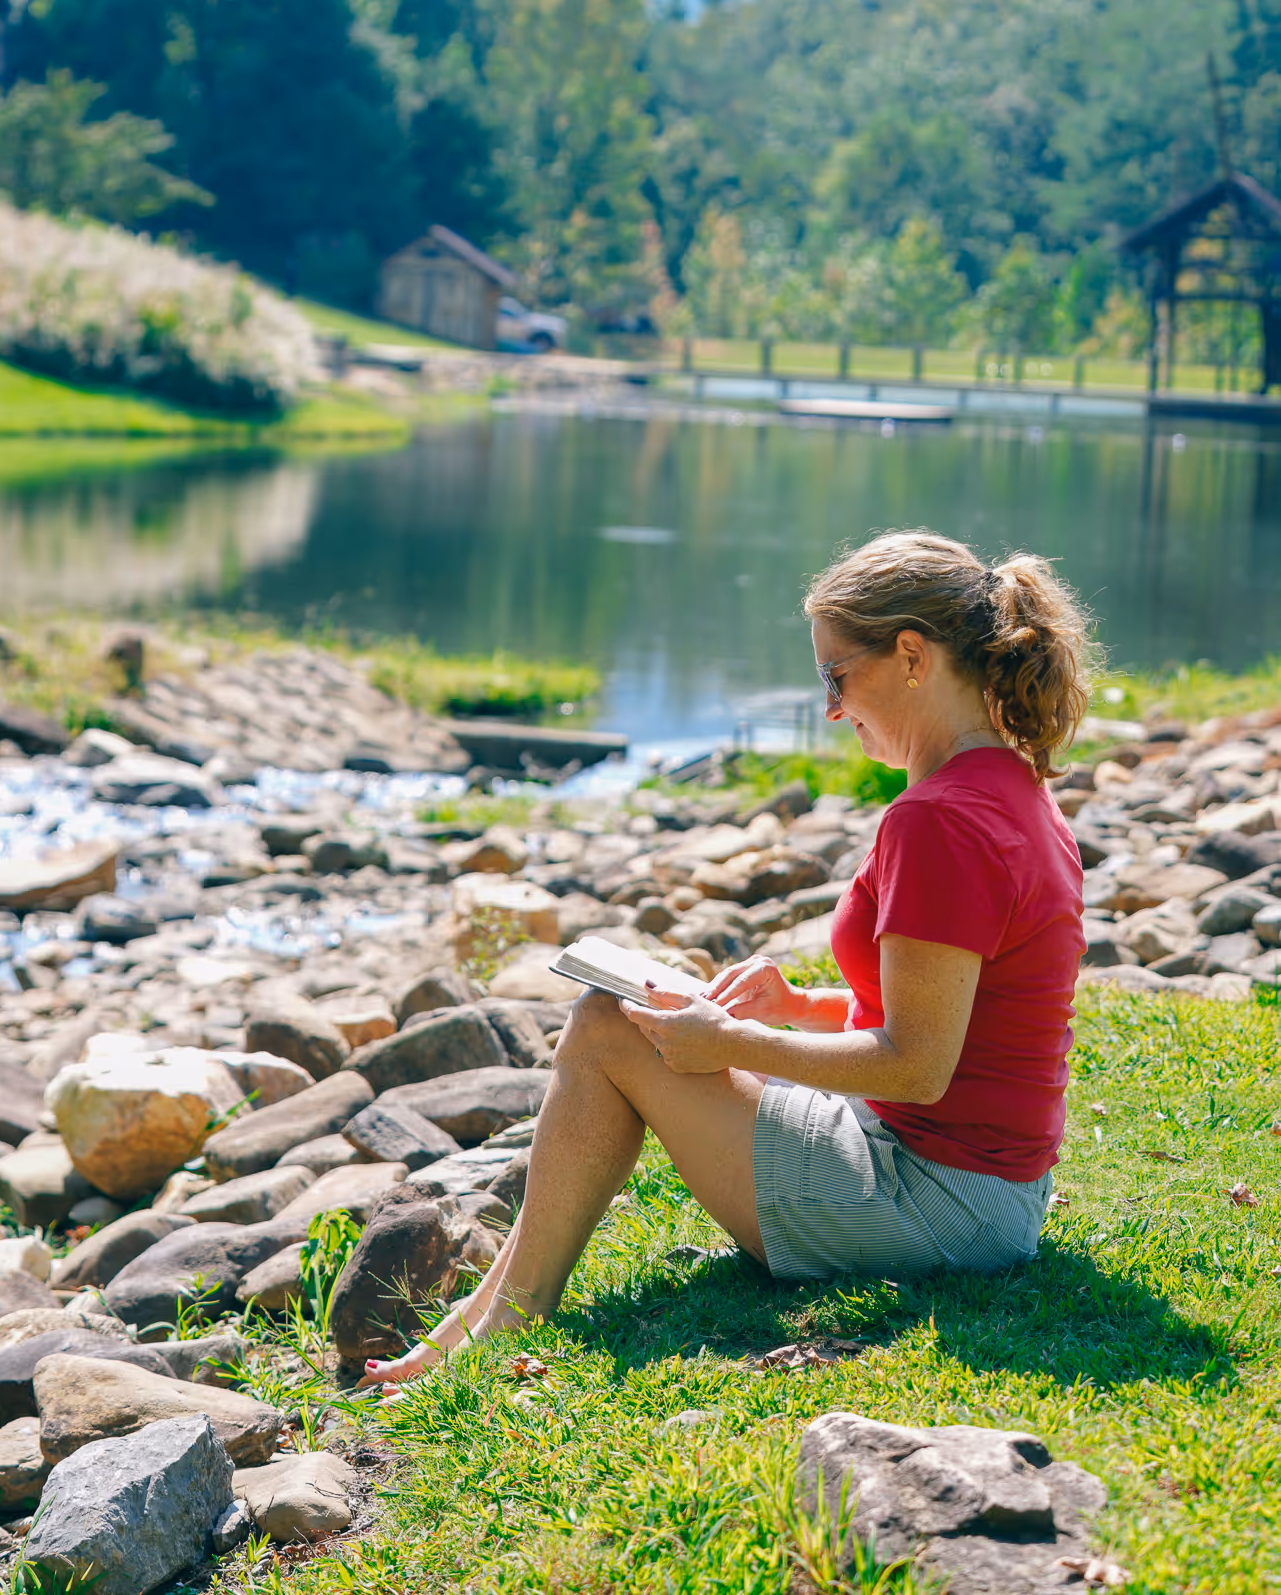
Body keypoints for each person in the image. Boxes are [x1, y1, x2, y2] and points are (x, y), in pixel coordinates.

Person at [364, 529, 1092, 1387]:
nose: (829, 707)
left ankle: (502, 1317)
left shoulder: (936, 821)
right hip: (983, 1191)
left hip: (934, 1204)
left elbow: (920, 1065)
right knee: (622, 1017)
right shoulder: (1011, 785)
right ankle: (482, 1312)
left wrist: (730, 1045)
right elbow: (957, 1018)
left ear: (909, 657)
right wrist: (794, 1006)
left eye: (836, 676)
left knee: (607, 1024)